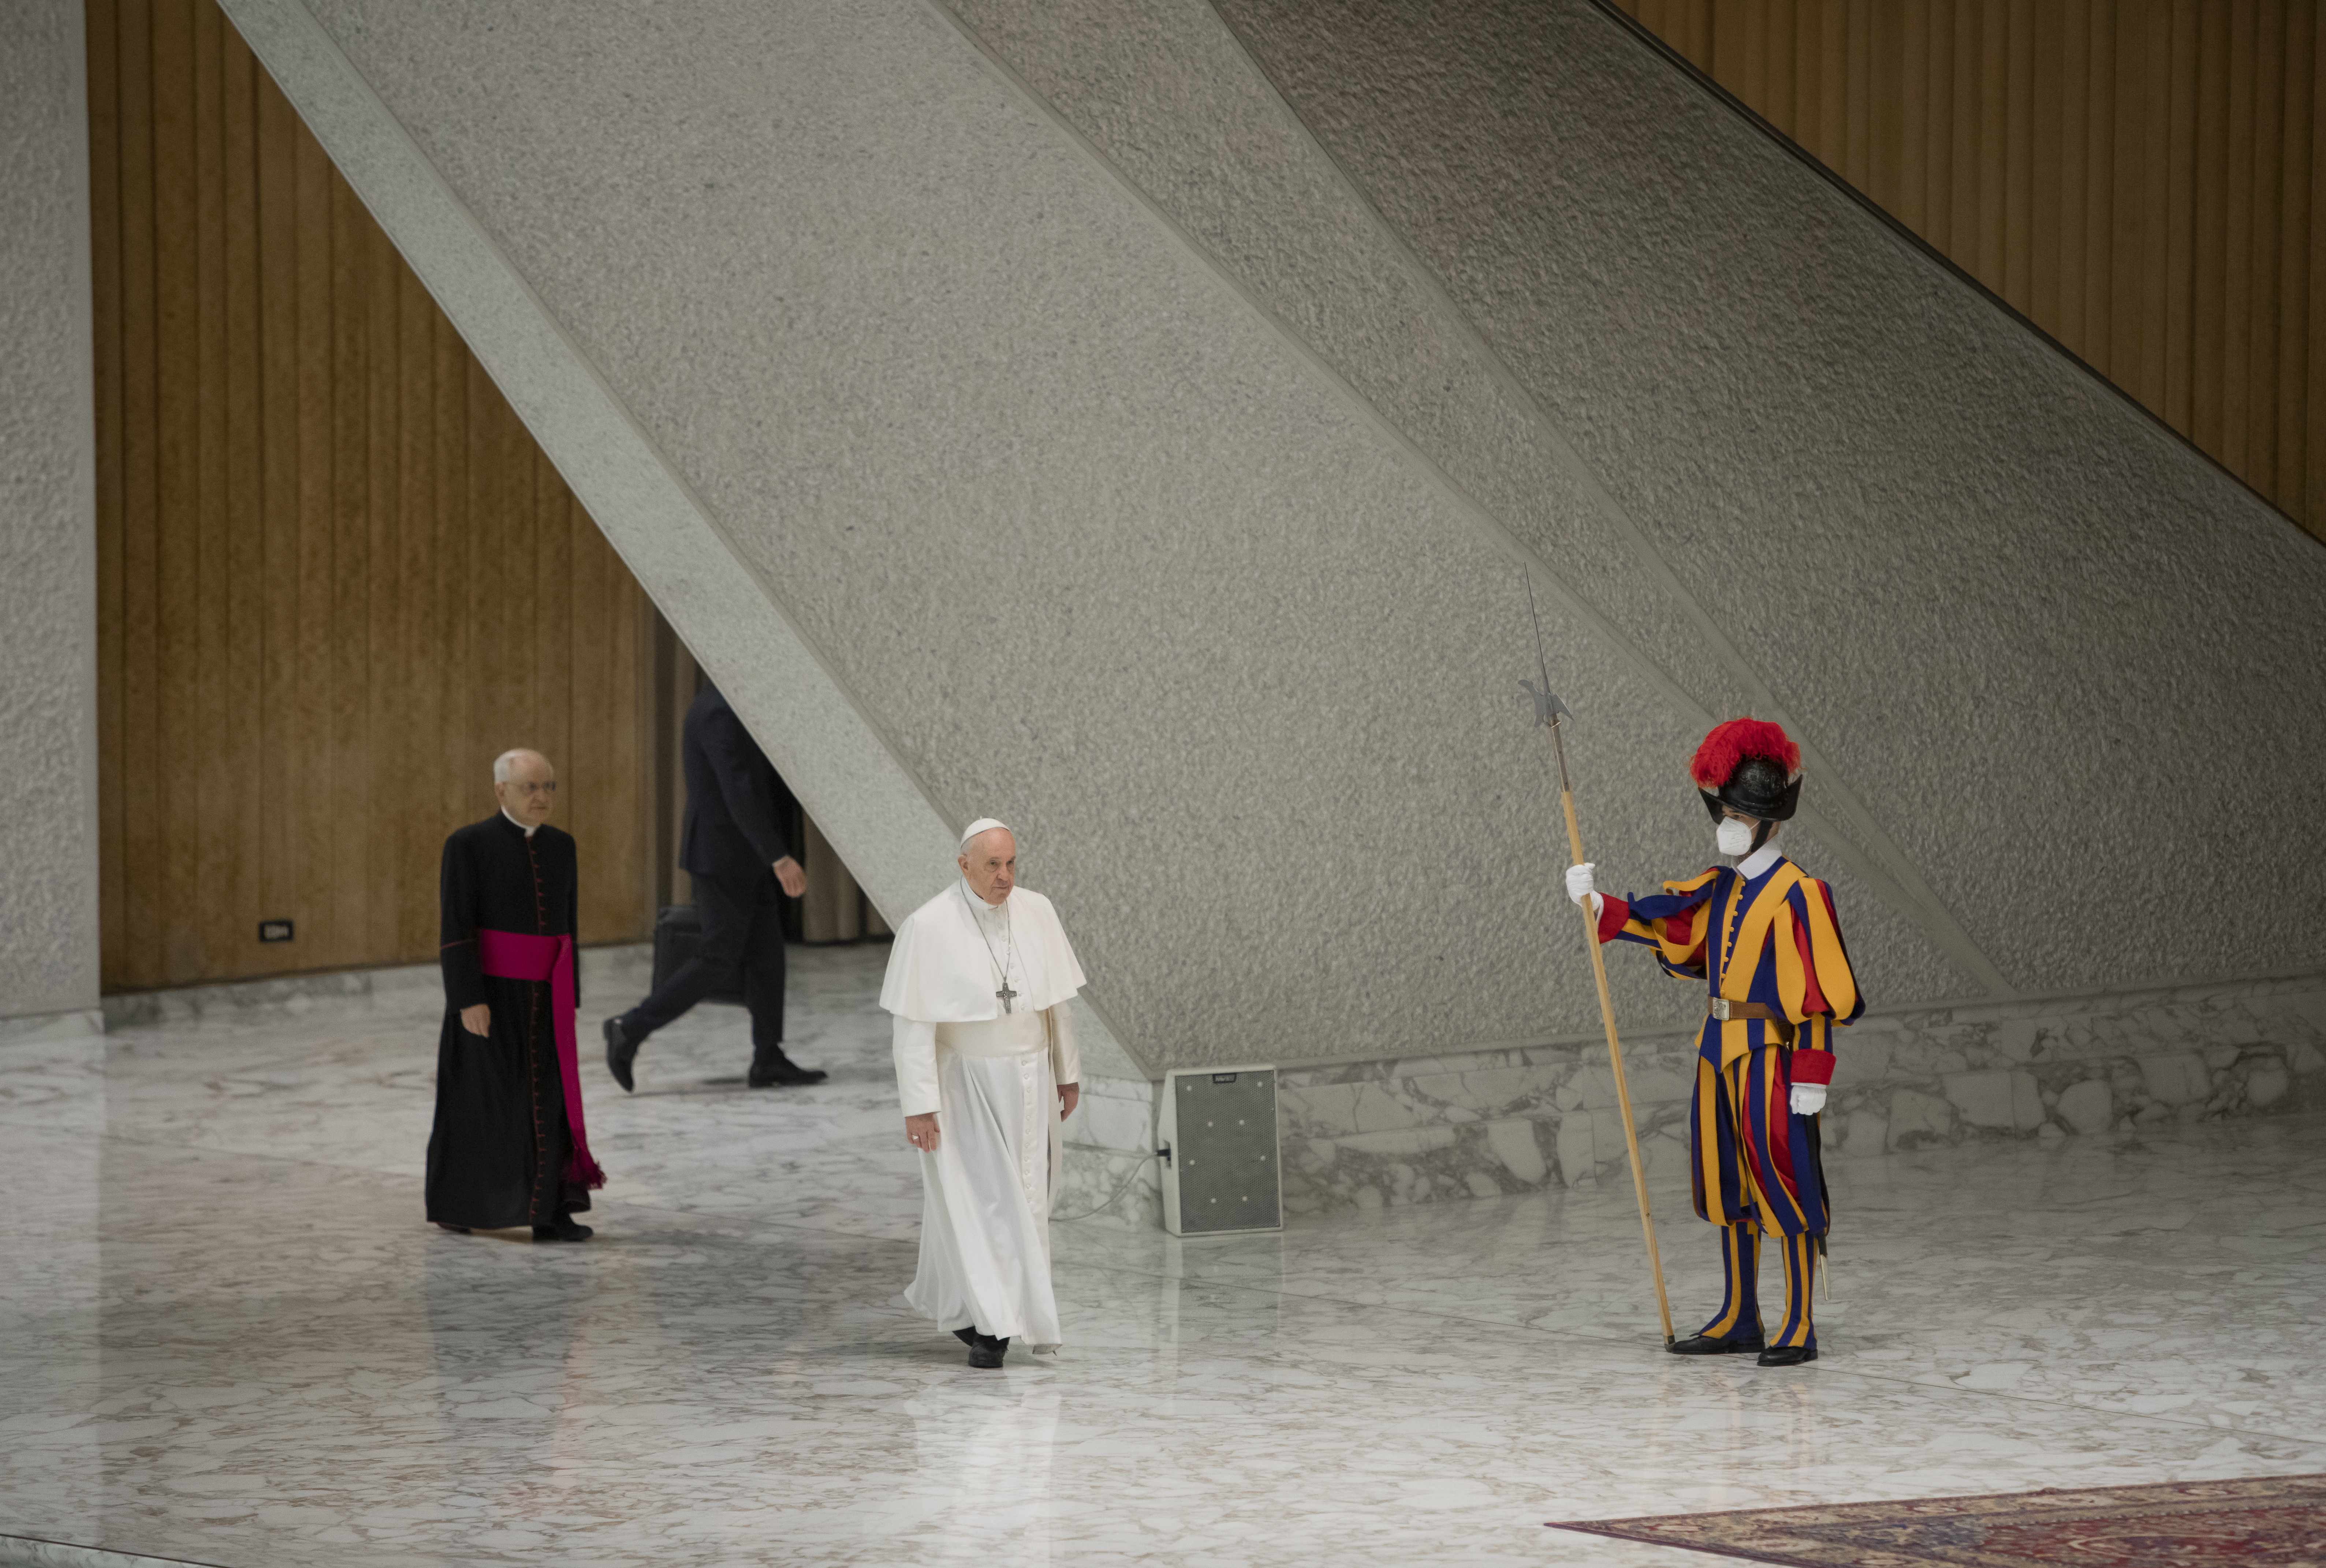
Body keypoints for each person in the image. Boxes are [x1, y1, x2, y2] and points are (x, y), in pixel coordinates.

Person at [1566, 718, 1863, 1367]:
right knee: (1727, 1182)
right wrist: (1600, 908)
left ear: (1770, 821)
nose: (1729, 823)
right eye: (1725, 811)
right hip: (1717, 1047)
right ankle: (1739, 1314)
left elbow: (1815, 989)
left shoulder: (1800, 893)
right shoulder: (1722, 886)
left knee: (1784, 1184)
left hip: (1771, 1055)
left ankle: (1796, 1322)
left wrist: (1812, 1073)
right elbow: (1677, 934)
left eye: (1741, 814)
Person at [881, 820, 1085, 1369]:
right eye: (993, 865)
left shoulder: (1037, 910)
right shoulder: (928, 926)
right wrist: (919, 1103)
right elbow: (913, 1026)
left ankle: (996, 1315)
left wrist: (1066, 1071)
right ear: (963, 864)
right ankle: (993, 1327)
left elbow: (1056, 1004)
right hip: (963, 1084)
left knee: (1027, 1199)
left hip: (1031, 1078)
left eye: (1012, 863)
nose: (1005, 876)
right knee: (981, 1203)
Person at [603, 682, 825, 1091]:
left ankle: (768, 1055)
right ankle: (629, 1028)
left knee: (767, 956)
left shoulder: (729, 702)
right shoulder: (718, 711)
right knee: (719, 956)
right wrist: (778, 855)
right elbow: (737, 788)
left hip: (744, 853)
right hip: (721, 854)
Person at [426, 748, 606, 1241]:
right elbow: (455, 924)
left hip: (547, 994)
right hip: (489, 994)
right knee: (485, 1101)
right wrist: (467, 997)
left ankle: (550, 1212)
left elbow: (568, 927)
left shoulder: (562, 845)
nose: (542, 796)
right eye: (531, 787)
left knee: (549, 1100)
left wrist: (570, 995)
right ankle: (462, 1203)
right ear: (501, 790)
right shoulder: (468, 844)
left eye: (548, 786)